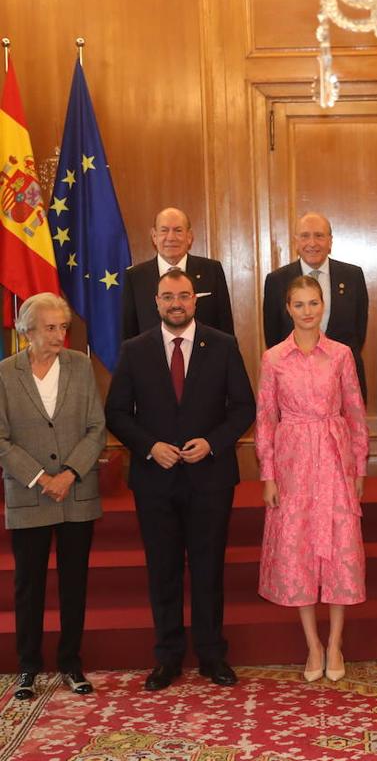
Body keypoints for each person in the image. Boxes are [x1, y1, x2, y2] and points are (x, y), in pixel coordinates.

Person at [106, 269, 255, 691]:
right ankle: (168, 657)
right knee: (163, 571)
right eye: (168, 296)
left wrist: (213, 442)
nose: (176, 303)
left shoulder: (222, 345)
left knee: (208, 570)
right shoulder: (135, 350)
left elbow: (244, 407)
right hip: (155, 479)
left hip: (210, 477)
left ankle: (212, 655)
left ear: (195, 301)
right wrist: (150, 447)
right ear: (155, 303)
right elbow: (116, 413)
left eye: (183, 296)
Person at [256, 275, 368, 683]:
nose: (307, 311)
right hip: (292, 462)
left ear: (324, 306)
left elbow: (356, 413)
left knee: (338, 549)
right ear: (288, 308)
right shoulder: (273, 359)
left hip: (335, 460)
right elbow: (265, 419)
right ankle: (313, 645)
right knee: (299, 550)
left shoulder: (340, 355)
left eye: (313, 303)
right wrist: (267, 474)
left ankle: (336, 641)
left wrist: (357, 467)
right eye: (299, 304)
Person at [0, 293, 105, 700]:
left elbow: (96, 427)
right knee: (29, 585)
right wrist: (42, 477)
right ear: (27, 331)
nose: (60, 334)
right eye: (50, 328)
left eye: (63, 327)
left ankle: (70, 663)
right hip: (30, 495)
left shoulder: (80, 366)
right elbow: (2, 438)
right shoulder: (6, 373)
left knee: (74, 583)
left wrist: (70, 473)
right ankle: (28, 666)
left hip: (76, 493)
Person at [262, 212, 369, 399]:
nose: (312, 243)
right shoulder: (277, 281)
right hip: (294, 387)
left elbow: (359, 332)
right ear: (296, 241)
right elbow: (273, 337)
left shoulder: (353, 276)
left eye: (319, 236)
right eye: (305, 236)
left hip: (344, 383)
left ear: (330, 241)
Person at [121, 207, 234, 339]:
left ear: (189, 236)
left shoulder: (212, 270)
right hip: (151, 358)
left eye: (178, 230)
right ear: (154, 236)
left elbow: (226, 329)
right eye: (164, 230)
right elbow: (128, 334)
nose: (171, 237)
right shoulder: (135, 277)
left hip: (205, 356)